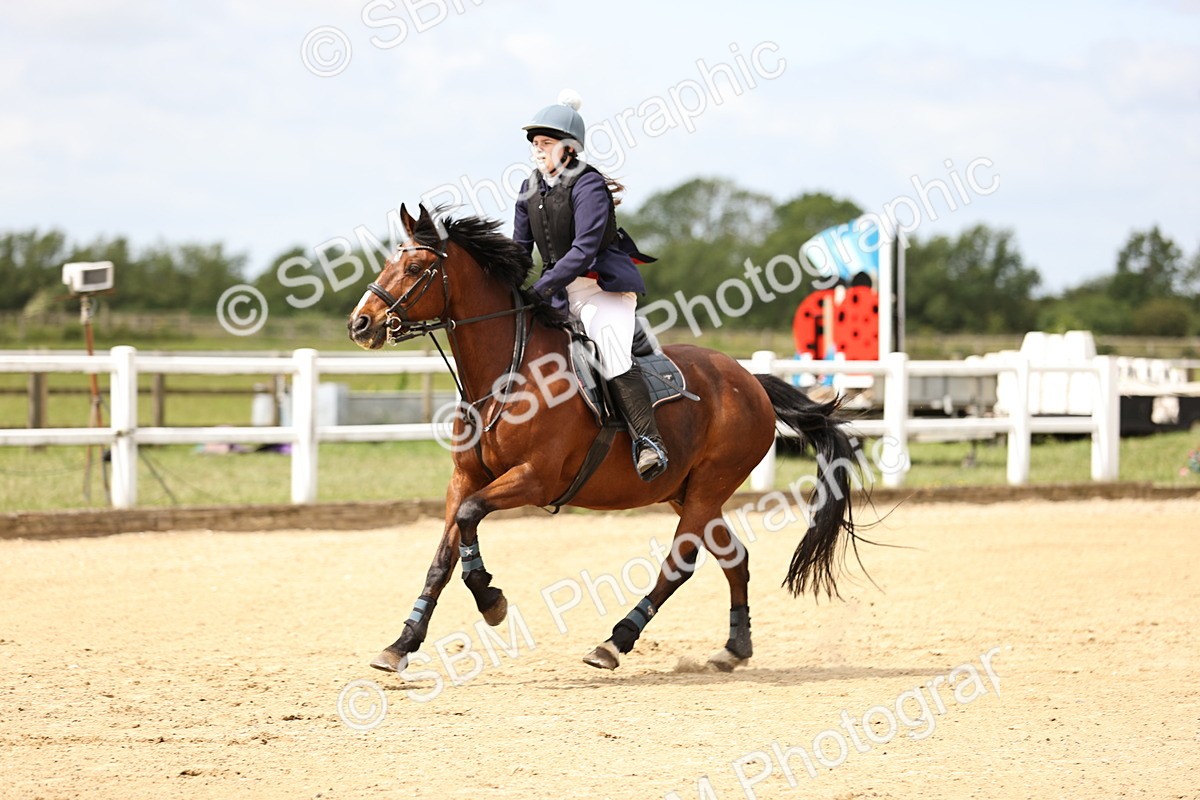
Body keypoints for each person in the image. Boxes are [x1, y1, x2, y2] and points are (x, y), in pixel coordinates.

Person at [513, 91, 668, 481]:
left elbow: (583, 250)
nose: (537, 150)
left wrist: (542, 288)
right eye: (535, 144)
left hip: (602, 290)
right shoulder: (529, 188)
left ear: (568, 148)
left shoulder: (589, 185)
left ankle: (648, 442)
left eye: (545, 144)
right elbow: (519, 250)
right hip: (559, 291)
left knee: (612, 354)